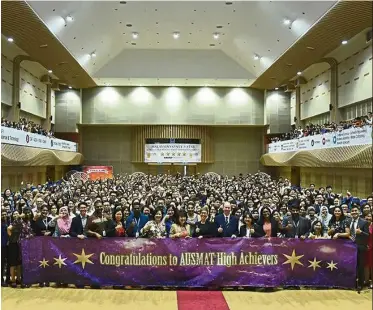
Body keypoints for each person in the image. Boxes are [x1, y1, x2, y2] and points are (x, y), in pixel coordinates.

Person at [350, 205, 369, 291]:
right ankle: (351, 283)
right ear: (351, 213)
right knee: (351, 265)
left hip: (360, 247)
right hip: (350, 247)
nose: (354, 212)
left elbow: (368, 235)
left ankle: (360, 284)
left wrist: (361, 232)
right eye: (353, 211)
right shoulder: (348, 221)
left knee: (360, 266)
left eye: (355, 211)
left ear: (359, 212)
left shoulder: (364, 222)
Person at [364, 212, 372, 289]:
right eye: (366, 216)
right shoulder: (363, 225)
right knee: (365, 265)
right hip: (364, 248)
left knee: (372, 265)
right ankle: (366, 281)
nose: (368, 218)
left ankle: (372, 282)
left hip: (372, 248)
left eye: (370, 216)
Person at [1, 209, 9, 286]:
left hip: (9, 246)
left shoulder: (9, 222)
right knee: (2, 263)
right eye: (2, 214)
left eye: (5, 214)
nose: (4, 215)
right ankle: (1, 280)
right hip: (2, 246)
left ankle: (8, 279)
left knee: (9, 263)